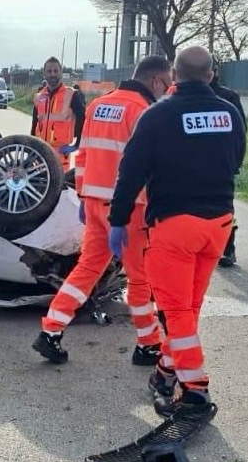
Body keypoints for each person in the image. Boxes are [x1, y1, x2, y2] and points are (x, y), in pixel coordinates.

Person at [107, 46, 246, 417]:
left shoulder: (157, 115)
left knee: (177, 312)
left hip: (175, 228)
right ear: (211, 74)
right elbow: (237, 160)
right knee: (189, 308)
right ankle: (166, 374)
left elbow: (130, 173)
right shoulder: (229, 113)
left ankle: (195, 389)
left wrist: (118, 221)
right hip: (217, 226)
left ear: (175, 75)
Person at [31, 56, 173, 365]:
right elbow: (151, 167)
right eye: (168, 83)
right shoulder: (145, 112)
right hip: (130, 208)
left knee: (88, 268)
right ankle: (149, 344)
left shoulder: (98, 105)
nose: (169, 89)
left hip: (94, 203)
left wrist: (83, 197)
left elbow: (83, 155)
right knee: (140, 278)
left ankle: (51, 330)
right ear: (156, 81)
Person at [209, 59, 246, 268]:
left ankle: (228, 249)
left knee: (224, 208)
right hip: (190, 164)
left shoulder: (228, 97)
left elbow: (240, 135)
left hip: (221, 164)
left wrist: (234, 164)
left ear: (214, 73)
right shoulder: (180, 96)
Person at [31, 57, 85, 168]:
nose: (53, 74)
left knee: (59, 184)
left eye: (56, 71)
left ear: (61, 73)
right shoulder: (39, 97)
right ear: (44, 74)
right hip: (40, 153)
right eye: (49, 71)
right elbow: (34, 124)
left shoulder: (72, 95)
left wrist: (77, 144)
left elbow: (84, 119)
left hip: (60, 156)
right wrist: (30, 148)